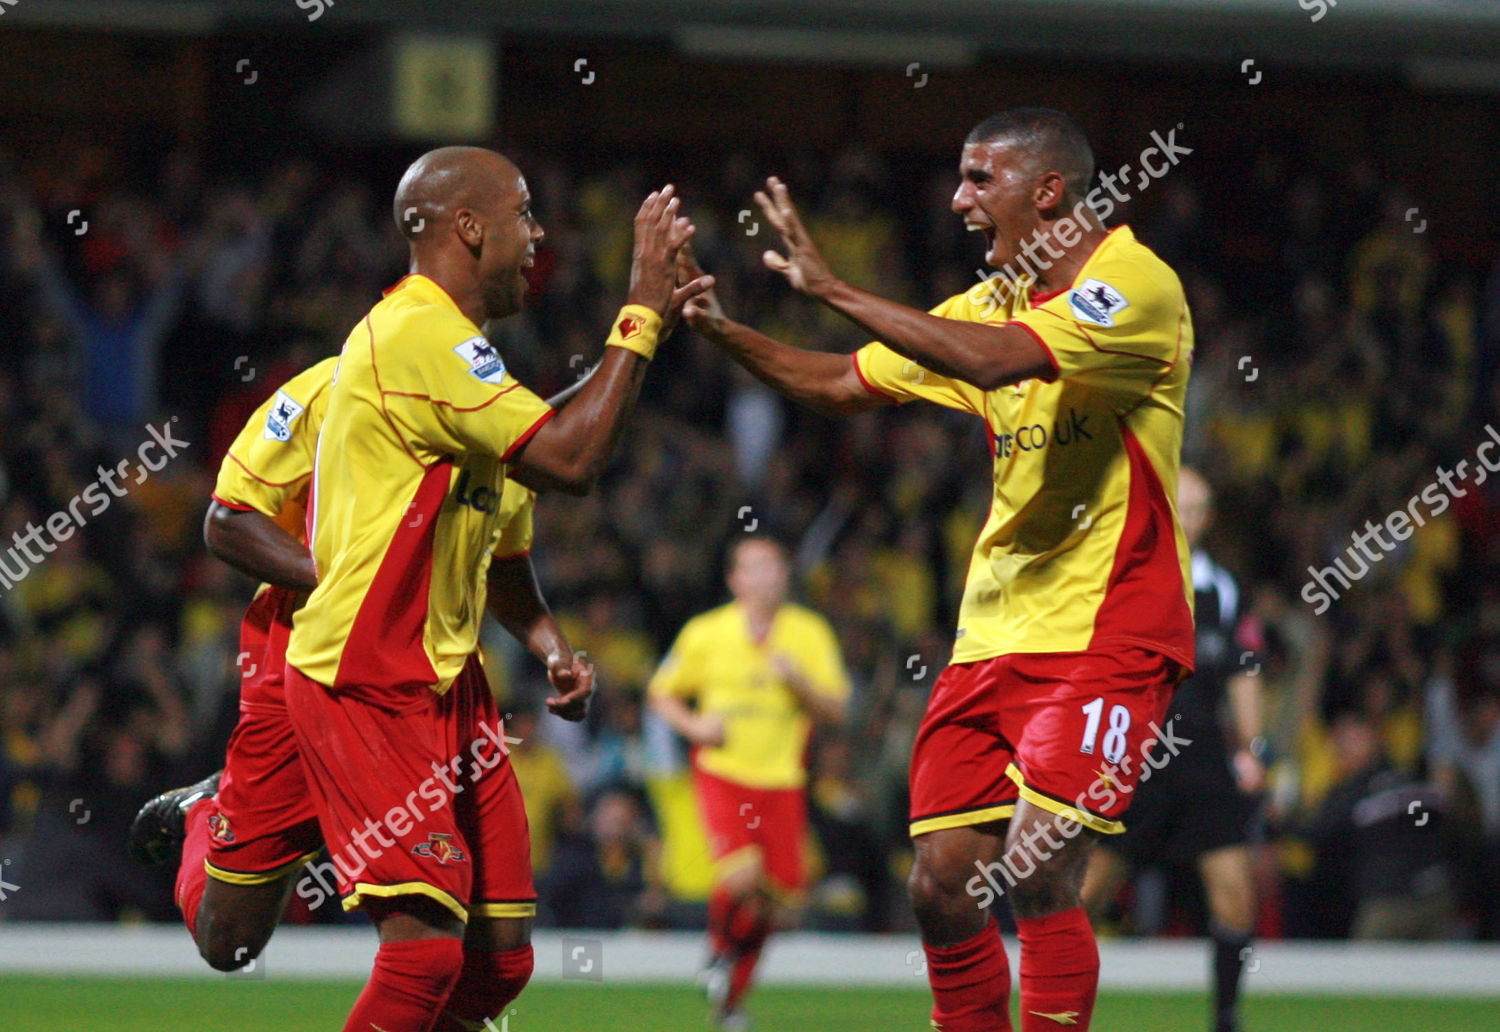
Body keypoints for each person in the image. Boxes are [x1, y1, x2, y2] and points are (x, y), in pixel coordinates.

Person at [682, 108, 1194, 1032]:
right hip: (992, 638)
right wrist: (722, 330)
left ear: (1048, 192)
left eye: (977, 180)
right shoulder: (989, 301)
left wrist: (835, 286)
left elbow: (998, 365)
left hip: (1110, 630)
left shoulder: (1135, 285)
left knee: (1038, 865)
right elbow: (842, 383)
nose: (956, 200)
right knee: (942, 885)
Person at [281, 147, 709, 1032]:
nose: (539, 235)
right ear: (469, 228)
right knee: (425, 949)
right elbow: (573, 459)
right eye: (523, 213)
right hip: (366, 675)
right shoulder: (417, 335)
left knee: (500, 957)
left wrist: (551, 647)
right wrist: (640, 308)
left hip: (447, 683)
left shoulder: (469, 362)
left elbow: (504, 553)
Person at [128, 357, 594, 972]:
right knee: (230, 942)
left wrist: (554, 648)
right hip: (302, 657)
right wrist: (350, 588)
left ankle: (341, 805)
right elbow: (228, 522)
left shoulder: (487, 417)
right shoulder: (327, 389)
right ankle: (205, 812)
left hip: (426, 679)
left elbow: (508, 551)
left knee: (483, 949)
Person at [1081, 467, 1265, 1032]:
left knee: (1236, 898)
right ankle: (1058, 1010)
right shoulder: (1121, 575)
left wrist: (1254, 748)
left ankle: (1226, 1018)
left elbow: (1242, 671)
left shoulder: (1223, 589)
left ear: (1207, 519)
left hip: (1203, 759)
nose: (1187, 515)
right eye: (1178, 504)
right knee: (1081, 896)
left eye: (1197, 507)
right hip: (1132, 759)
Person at [648, 536, 850, 1030]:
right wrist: (696, 728)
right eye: (755, 568)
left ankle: (730, 1003)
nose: (768, 577)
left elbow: (838, 711)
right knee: (742, 877)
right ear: (735, 580)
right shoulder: (706, 632)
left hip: (782, 780)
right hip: (724, 773)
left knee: (780, 908)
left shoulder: (809, 633)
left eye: (775, 567)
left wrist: (799, 682)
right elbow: (661, 692)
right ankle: (718, 951)